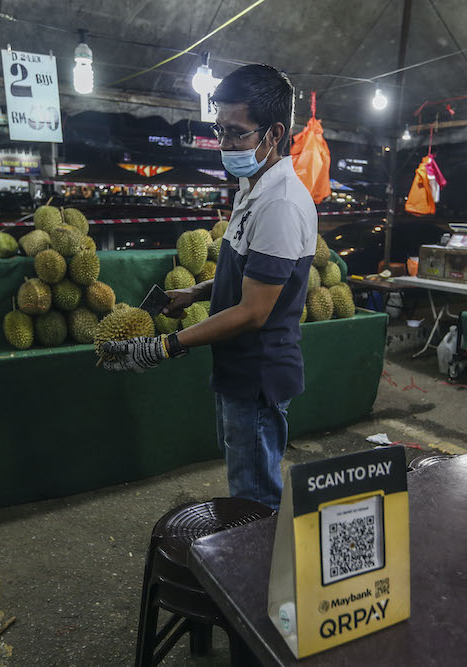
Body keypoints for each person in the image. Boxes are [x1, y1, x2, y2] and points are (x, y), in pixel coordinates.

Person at [101, 64, 317, 510]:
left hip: (258, 373)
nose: (224, 145)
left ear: (273, 133)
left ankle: (262, 573)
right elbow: (244, 274)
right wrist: (198, 292)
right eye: (219, 131)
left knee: (255, 498)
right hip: (237, 370)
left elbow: (254, 311)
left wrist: (165, 346)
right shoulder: (251, 188)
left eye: (236, 133)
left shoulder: (280, 204)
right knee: (246, 478)